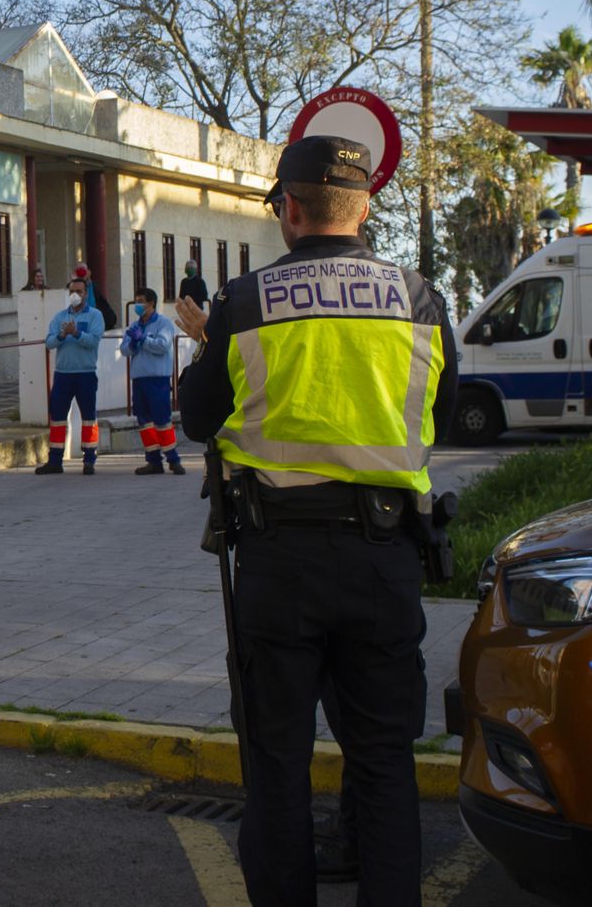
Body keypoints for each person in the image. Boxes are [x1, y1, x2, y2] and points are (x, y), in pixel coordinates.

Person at [176, 134, 458, 907]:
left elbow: (199, 417)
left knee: (276, 763)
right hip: (386, 558)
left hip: (280, 561)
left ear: (289, 209)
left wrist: (209, 343)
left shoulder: (245, 300)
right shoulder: (422, 298)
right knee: (385, 764)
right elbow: (443, 413)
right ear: (364, 207)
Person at [36, 277, 105, 475]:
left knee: (88, 417)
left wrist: (76, 334)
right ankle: (55, 460)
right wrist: (61, 335)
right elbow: (49, 342)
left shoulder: (95, 316)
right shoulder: (59, 317)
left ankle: (89, 459)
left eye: (79, 291)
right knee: (57, 418)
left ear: (86, 293)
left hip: (85, 374)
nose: (75, 295)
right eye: (72, 291)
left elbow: (93, 341)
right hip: (63, 374)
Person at [119, 286, 184, 475]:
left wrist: (143, 340)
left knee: (162, 420)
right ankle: (153, 460)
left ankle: (173, 459)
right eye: (136, 300)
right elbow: (124, 350)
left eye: (141, 301)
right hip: (139, 379)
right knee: (144, 421)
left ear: (151, 303)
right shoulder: (134, 326)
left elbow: (162, 346)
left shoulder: (163, 323)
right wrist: (132, 343)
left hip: (157, 379)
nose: (137, 304)